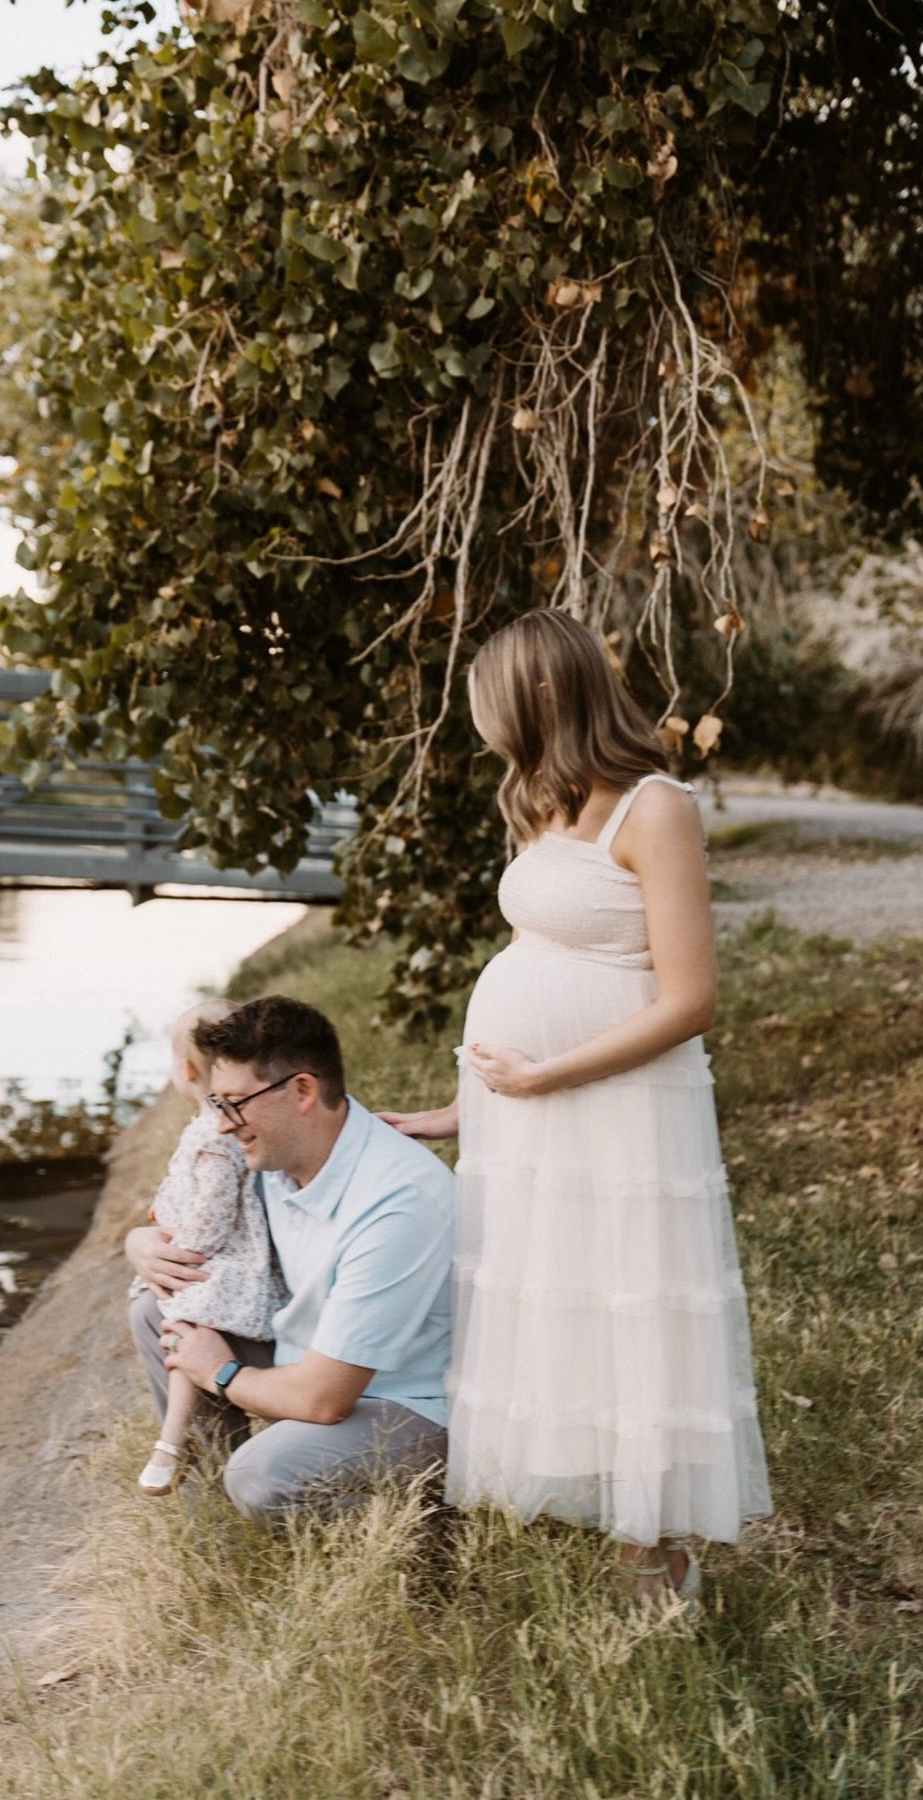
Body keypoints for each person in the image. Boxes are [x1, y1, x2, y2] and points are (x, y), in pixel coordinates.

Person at [383, 609, 772, 1607]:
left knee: (631, 1301)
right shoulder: (538, 801)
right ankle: (596, 1507)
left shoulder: (654, 808)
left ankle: (661, 1555)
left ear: (542, 695)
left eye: (494, 705)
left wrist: (549, 1075)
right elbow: (536, 962)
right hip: (529, 1114)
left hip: (621, 1107)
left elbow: (691, 1001)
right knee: (556, 1302)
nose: (486, 727)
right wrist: (465, 1108)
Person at [126, 994, 454, 1523]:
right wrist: (138, 1244)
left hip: (406, 1408)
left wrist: (223, 1372)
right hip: (311, 1362)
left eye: (234, 1104)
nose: (223, 1124)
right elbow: (194, 1230)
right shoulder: (278, 1152)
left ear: (302, 1091)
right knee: (155, 1310)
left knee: (264, 1474)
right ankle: (216, 1523)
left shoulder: (398, 1203)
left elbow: (326, 1398)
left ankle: (427, 1529)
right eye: (215, 1104)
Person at [124, 999, 286, 1493]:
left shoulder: (215, 1136)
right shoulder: (210, 1125)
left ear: (187, 1069)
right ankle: (189, 1449)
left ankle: (176, 1440)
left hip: (227, 1263)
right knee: (168, 1307)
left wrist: (183, 1250)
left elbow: (214, 1211)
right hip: (220, 1257)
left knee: (180, 1311)